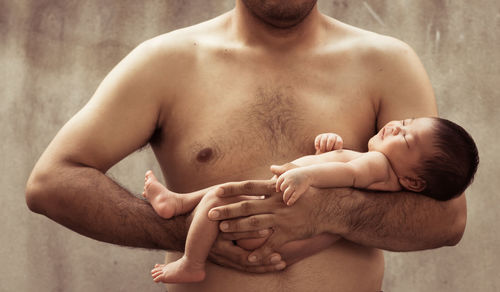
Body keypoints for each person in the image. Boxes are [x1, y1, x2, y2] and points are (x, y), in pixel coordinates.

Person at [25, 1, 468, 291]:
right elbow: (52, 183)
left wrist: (326, 212)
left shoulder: (386, 63)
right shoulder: (166, 62)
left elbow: (446, 219)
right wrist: (192, 232)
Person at [143, 116, 478, 284]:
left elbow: (348, 176)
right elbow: (345, 170)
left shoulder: (376, 165)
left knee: (220, 198)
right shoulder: (386, 176)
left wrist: (308, 175)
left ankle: (192, 261)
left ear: (413, 180)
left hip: (272, 215)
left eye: (405, 138)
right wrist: (329, 152)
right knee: (227, 195)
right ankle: (179, 202)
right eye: (405, 122)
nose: (394, 127)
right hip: (279, 231)